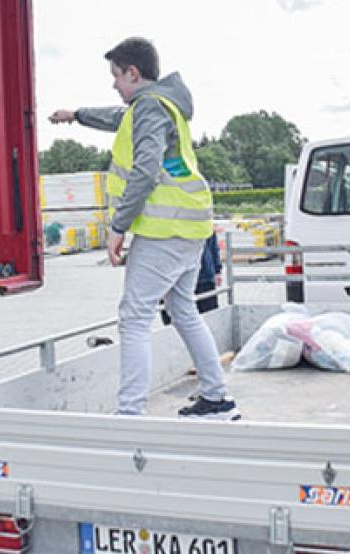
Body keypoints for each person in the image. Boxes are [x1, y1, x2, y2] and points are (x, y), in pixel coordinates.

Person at [49, 37, 238, 419]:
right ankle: (217, 399)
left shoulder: (149, 107)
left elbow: (146, 169)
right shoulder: (162, 105)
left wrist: (118, 227)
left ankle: (130, 414)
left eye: (116, 76)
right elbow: (118, 118)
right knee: (183, 309)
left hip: (164, 231)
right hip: (190, 228)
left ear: (133, 73)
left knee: (134, 317)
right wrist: (77, 114)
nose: (114, 85)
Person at [160, 234, 222, 325]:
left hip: (203, 276)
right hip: (171, 278)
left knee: (209, 319)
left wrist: (217, 269)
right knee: (174, 322)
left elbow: (211, 238)